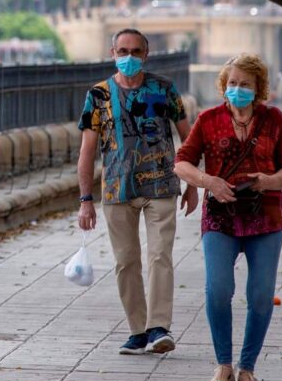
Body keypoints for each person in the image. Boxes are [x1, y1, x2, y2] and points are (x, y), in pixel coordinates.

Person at [173, 53, 282, 381]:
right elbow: (181, 162)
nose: (238, 90)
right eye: (232, 84)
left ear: (258, 88)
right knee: (218, 290)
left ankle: (248, 369)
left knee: (259, 296)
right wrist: (208, 181)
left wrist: (267, 181)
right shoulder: (209, 119)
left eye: (245, 84)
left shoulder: (273, 119)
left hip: (266, 217)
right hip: (220, 218)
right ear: (223, 86)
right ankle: (224, 365)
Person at [78, 28, 198, 355]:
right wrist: (85, 200)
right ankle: (138, 331)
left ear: (146, 54)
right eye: (122, 51)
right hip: (117, 189)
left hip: (161, 184)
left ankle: (159, 327)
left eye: (135, 51)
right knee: (126, 261)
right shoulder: (98, 95)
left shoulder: (164, 89)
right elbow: (87, 151)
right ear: (112, 52)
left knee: (160, 255)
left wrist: (192, 184)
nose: (128, 57)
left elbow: (189, 139)